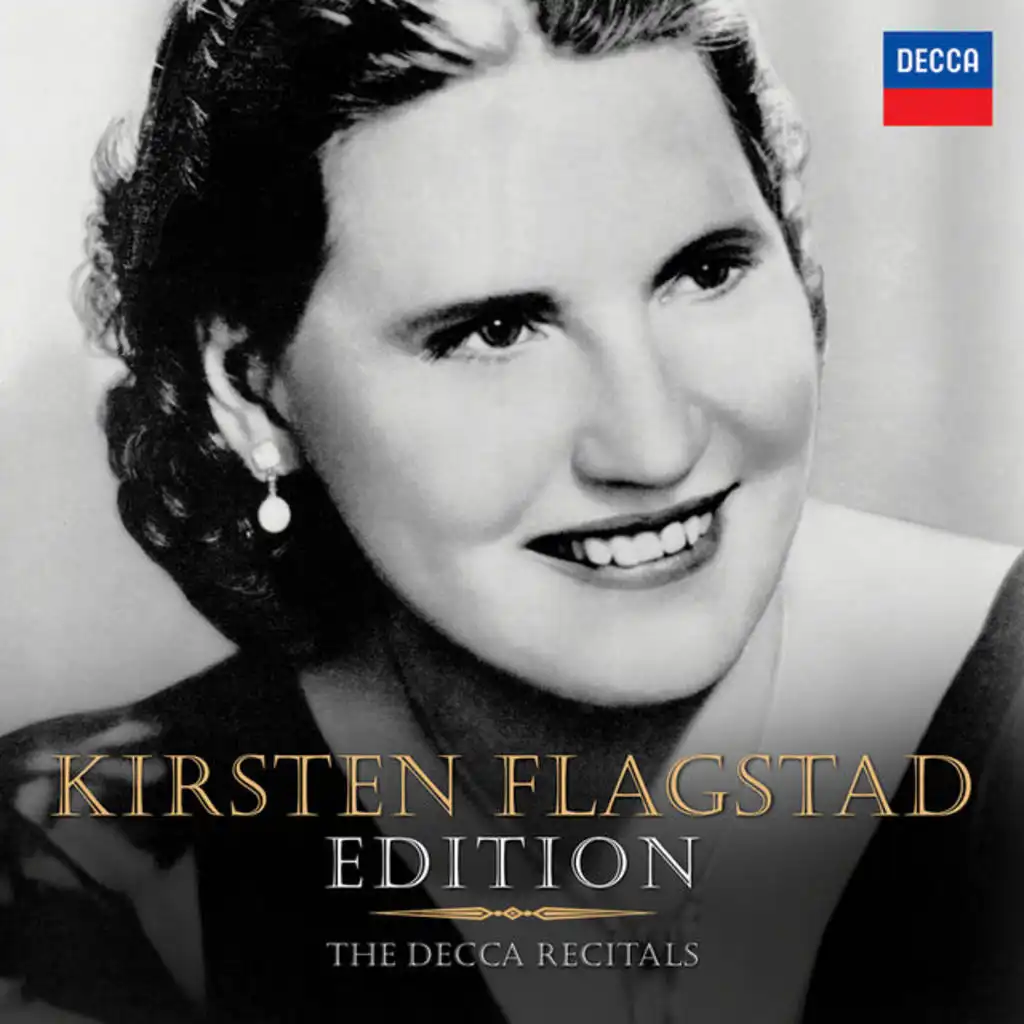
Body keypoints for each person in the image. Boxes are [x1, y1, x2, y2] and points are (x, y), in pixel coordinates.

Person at [1, 0, 1021, 1021]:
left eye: (705, 272)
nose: (653, 446)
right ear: (252, 391)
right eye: (495, 330)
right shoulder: (87, 851)